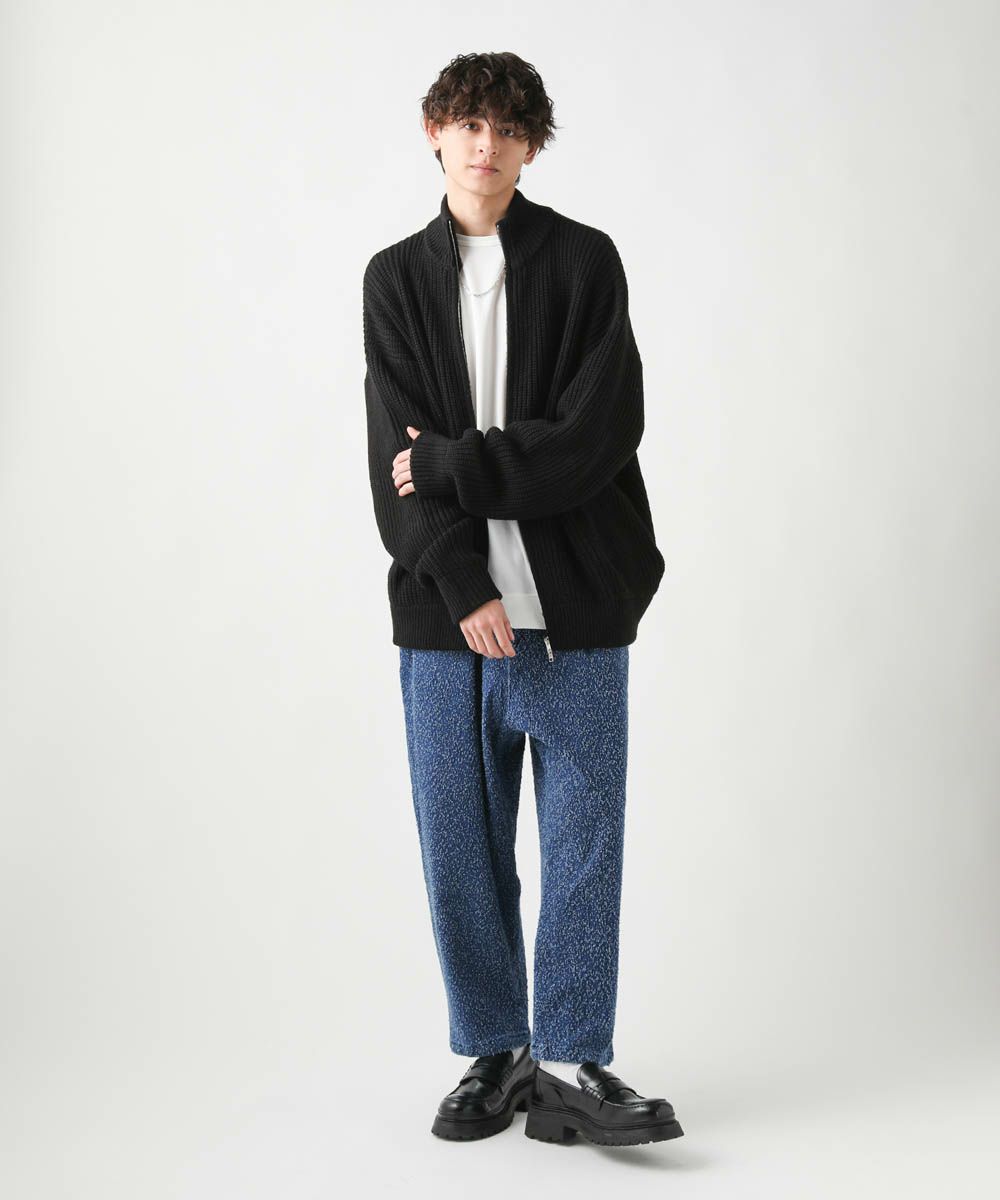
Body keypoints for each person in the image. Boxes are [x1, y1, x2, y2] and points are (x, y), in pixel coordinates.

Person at [363, 51, 683, 1149]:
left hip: (575, 609)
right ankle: (496, 1050)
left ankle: (571, 1060)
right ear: (434, 132)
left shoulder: (586, 263)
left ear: (531, 145)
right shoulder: (394, 280)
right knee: (461, 846)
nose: (484, 144)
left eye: (506, 127)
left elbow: (596, 438)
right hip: (446, 625)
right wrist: (461, 584)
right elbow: (389, 463)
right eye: (466, 122)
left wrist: (453, 461)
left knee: (585, 844)